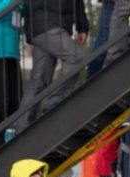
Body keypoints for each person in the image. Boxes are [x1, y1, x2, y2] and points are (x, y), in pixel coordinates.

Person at [19, 0, 88, 129]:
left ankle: (23, 129)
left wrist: (82, 26)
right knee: (76, 58)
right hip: (47, 22)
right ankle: (52, 103)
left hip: (49, 24)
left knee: (39, 80)